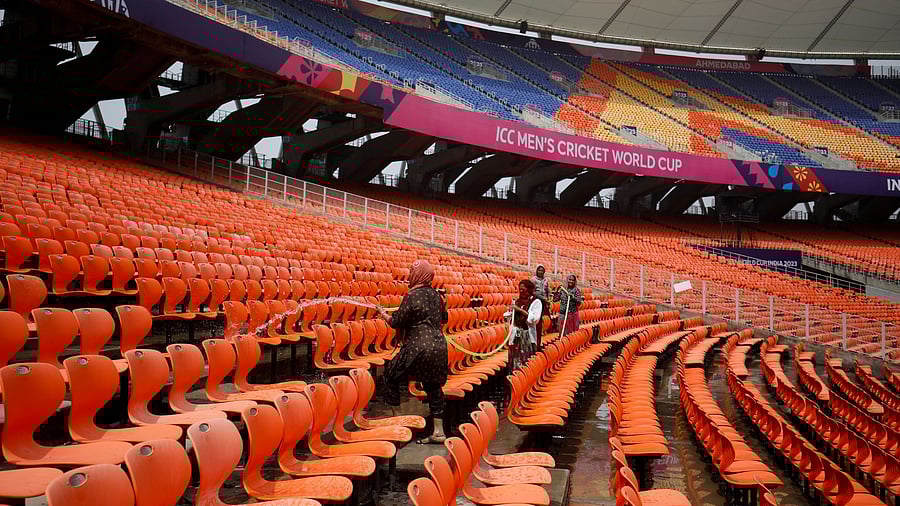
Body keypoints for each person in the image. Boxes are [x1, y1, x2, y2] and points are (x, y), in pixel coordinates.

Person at [376, 259, 448, 444]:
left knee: (390, 375)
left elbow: (396, 321)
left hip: (418, 345)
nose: (409, 275)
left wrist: (383, 313)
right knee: (433, 387)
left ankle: (397, 424)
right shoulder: (437, 296)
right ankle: (439, 432)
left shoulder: (412, 295)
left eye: (411, 272)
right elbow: (445, 318)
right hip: (439, 346)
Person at [507, 279, 542, 371]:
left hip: (527, 336)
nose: (521, 292)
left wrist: (519, 310)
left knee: (526, 361)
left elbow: (534, 319)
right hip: (516, 334)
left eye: (523, 289)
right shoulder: (517, 301)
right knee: (514, 359)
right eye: (520, 289)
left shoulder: (536, 302)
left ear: (529, 290)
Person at [532, 265, 551, 347]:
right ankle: (535, 343)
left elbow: (547, 290)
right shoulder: (533, 280)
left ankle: (539, 343)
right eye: (539, 270)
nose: (540, 272)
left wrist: (548, 298)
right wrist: (542, 298)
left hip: (544, 302)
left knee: (543, 322)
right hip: (537, 302)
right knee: (537, 323)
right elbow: (532, 292)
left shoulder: (546, 280)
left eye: (542, 270)